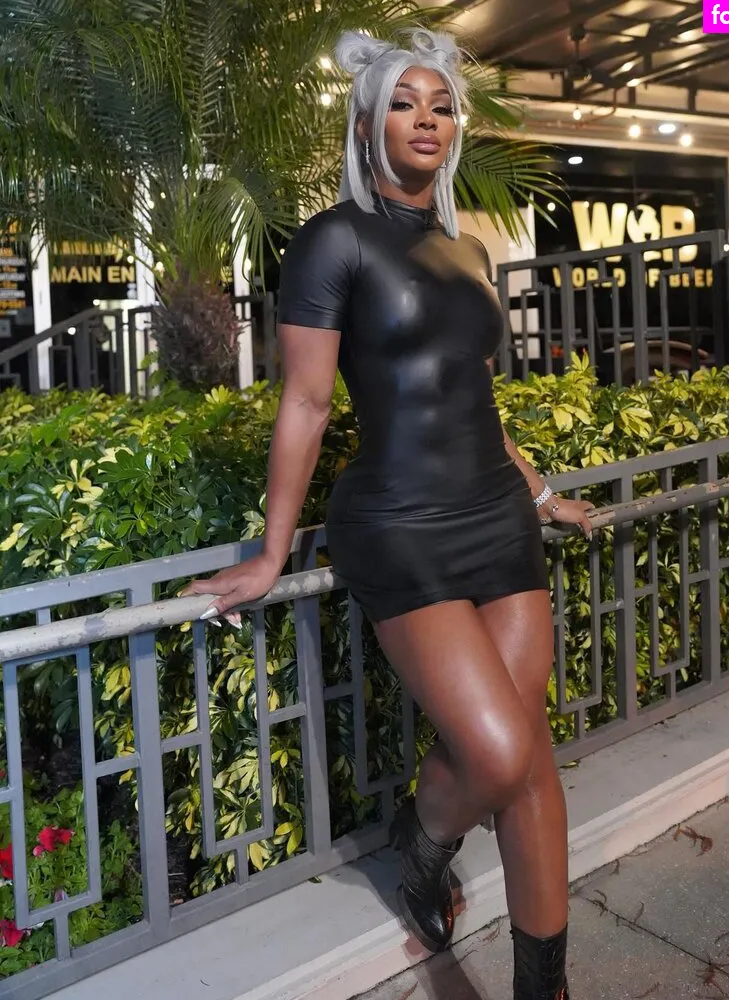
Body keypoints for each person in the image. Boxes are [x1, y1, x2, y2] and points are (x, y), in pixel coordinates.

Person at [182, 27, 595, 1000]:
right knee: (496, 750)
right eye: (405, 103)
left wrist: (541, 493)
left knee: (528, 759)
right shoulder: (333, 240)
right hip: (401, 526)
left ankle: (545, 989)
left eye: (442, 106)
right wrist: (272, 552)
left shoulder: (467, 248)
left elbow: (474, 398)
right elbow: (306, 402)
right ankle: (424, 840)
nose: (427, 119)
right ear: (367, 123)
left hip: (497, 516)